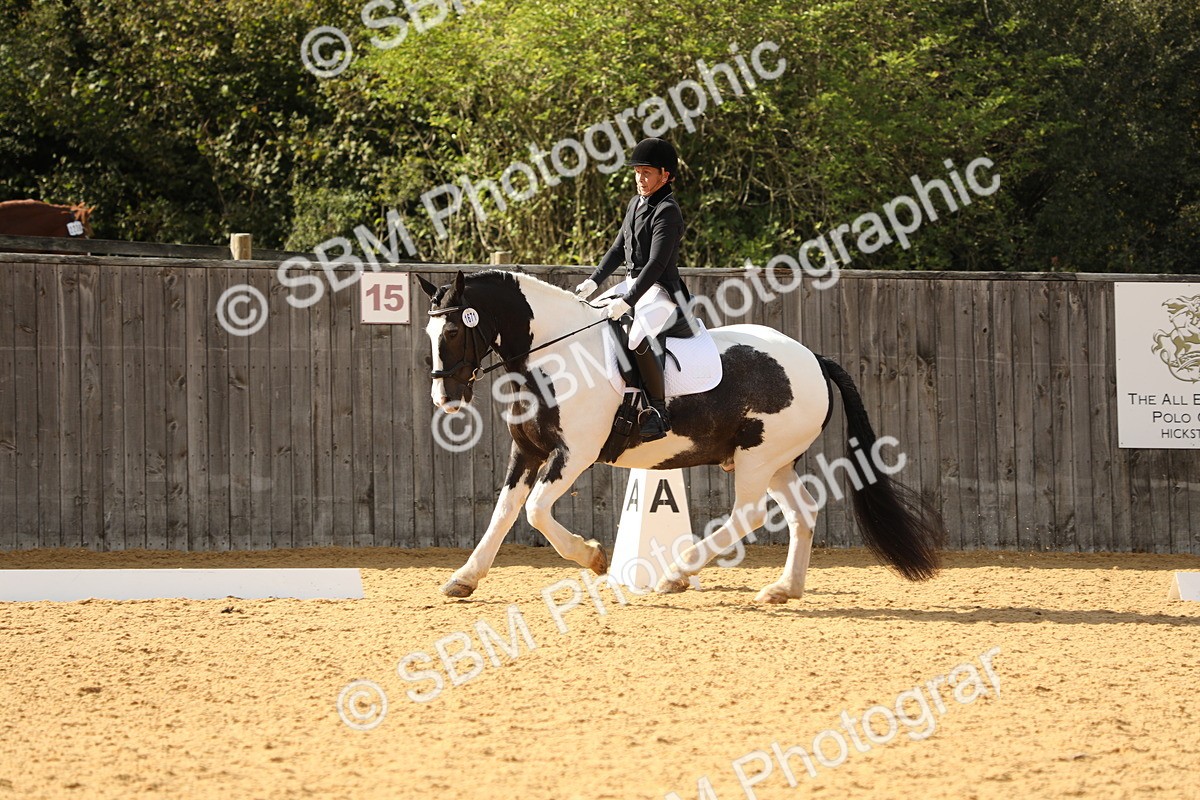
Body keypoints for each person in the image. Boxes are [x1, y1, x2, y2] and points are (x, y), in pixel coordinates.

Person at [575, 137, 687, 442]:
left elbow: (656, 264)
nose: (640, 179)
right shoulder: (635, 204)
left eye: (647, 173)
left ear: (665, 175)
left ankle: (658, 411)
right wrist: (594, 281)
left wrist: (627, 300)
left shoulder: (667, 211)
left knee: (637, 336)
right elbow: (616, 249)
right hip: (633, 284)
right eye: (637, 172)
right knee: (591, 317)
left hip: (661, 290)